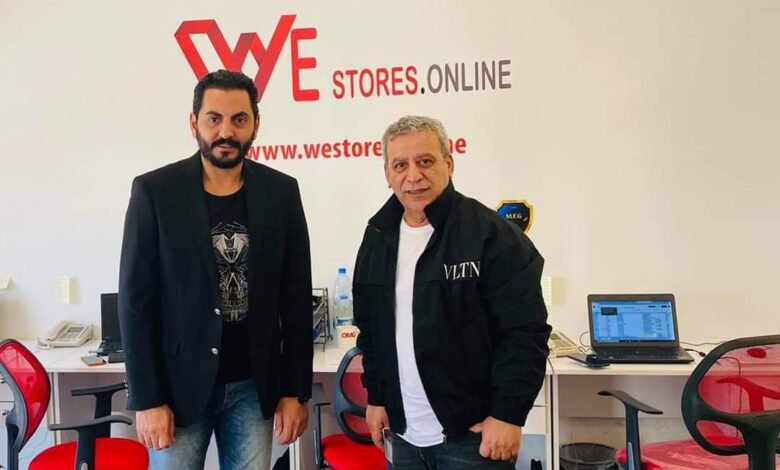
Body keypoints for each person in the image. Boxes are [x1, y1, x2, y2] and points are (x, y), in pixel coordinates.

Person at [118, 70, 312, 469]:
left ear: (256, 124)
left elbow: (295, 299)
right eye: (214, 118)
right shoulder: (155, 192)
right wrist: (147, 398)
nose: (226, 131)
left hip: (253, 388)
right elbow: (135, 302)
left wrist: (295, 391)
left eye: (239, 119)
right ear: (194, 123)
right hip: (177, 390)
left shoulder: (281, 192)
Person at [353, 115, 551, 469]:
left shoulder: (491, 235)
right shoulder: (377, 236)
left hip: (472, 439)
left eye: (425, 161)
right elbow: (371, 330)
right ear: (387, 174)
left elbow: (525, 332)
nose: (413, 176)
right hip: (403, 435)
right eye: (400, 165)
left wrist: (508, 414)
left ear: (449, 163)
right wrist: (377, 397)